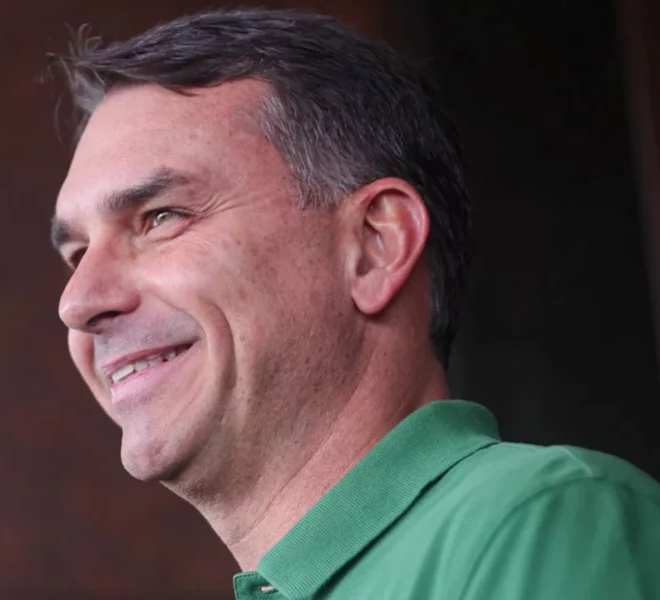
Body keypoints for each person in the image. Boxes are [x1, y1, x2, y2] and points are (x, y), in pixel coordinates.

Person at [48, 9, 660, 600]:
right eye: (76, 255)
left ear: (374, 245)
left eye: (161, 217)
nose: (77, 303)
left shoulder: (543, 526)